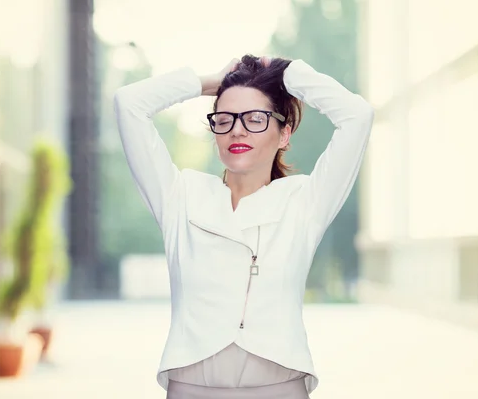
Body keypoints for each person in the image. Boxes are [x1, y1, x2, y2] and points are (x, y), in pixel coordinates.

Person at [114, 54, 374, 399]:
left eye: (255, 119)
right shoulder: (181, 196)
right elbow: (128, 103)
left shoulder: (304, 201)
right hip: (192, 390)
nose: (237, 129)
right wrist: (208, 82)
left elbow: (357, 116)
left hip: (280, 390)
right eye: (225, 118)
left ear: (285, 134)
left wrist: (288, 73)